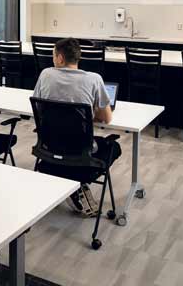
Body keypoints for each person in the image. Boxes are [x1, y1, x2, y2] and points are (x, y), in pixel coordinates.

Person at [33, 37, 121, 217]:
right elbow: (106, 118)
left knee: (67, 148)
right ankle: (77, 182)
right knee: (114, 147)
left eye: (53, 56)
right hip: (81, 150)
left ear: (60, 58)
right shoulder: (94, 79)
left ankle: (69, 184)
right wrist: (88, 114)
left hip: (50, 146)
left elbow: (40, 107)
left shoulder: (45, 75)